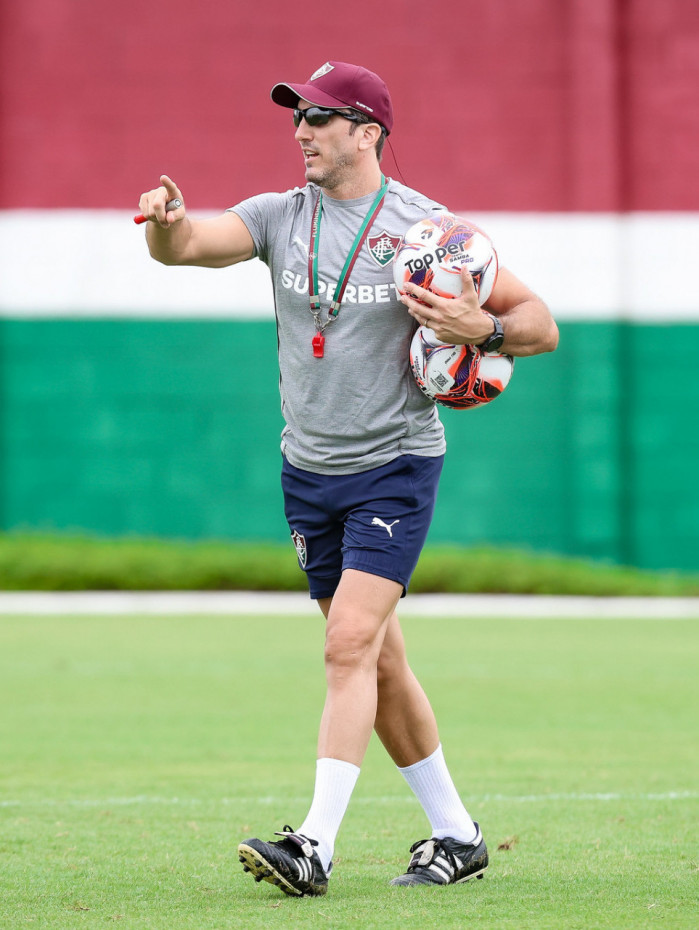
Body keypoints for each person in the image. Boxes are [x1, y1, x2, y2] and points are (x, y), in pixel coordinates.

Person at [138, 60, 558, 897]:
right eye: (297, 117)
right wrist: (164, 223)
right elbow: (185, 247)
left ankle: (315, 846)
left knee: (345, 645)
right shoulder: (276, 217)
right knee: (380, 663)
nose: (302, 131)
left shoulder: (426, 232)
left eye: (321, 118)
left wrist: (482, 326)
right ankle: (457, 835)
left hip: (393, 467)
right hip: (309, 470)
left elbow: (538, 326)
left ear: (367, 133)